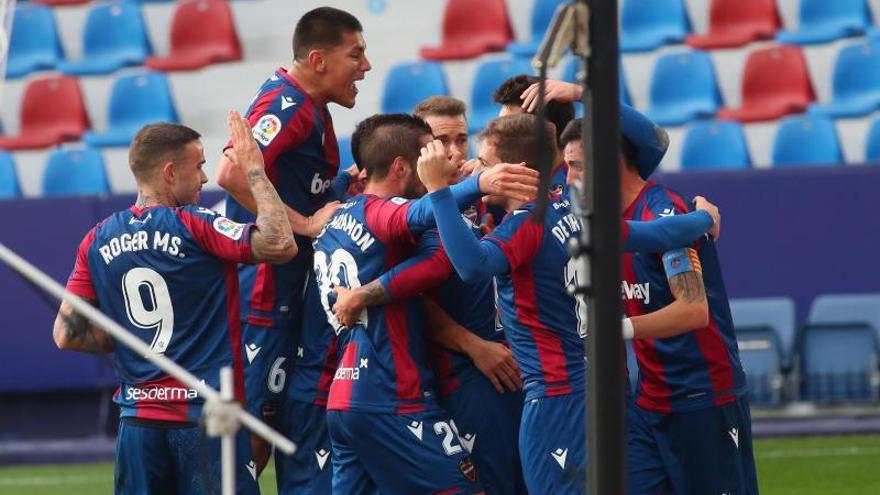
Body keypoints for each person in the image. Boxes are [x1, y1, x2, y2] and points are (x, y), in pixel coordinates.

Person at [54, 113, 295, 495]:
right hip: (205, 417)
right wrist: (254, 172)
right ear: (169, 173)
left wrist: (131, 340)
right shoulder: (194, 223)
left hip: (137, 422)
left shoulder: (96, 239)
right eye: (198, 167)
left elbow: (66, 334)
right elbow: (281, 244)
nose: (203, 178)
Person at [314, 113, 538, 494]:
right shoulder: (382, 212)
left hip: (347, 393)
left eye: (458, 141)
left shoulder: (338, 219)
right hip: (393, 392)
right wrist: (478, 182)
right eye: (430, 153)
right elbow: (433, 250)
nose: (444, 159)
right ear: (402, 166)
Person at [215, 6, 370, 479]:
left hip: (279, 293)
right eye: (356, 54)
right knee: (254, 431)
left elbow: (297, 182)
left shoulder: (309, 106)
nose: (366, 66)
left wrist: (343, 185)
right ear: (319, 60)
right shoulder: (289, 104)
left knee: (268, 424)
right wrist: (303, 224)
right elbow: (231, 172)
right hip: (262, 293)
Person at [617, 113, 758, 495]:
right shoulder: (603, 224)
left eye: (578, 166)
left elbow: (693, 310)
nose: (570, 179)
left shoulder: (665, 212)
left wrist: (621, 329)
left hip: (701, 394)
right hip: (649, 398)